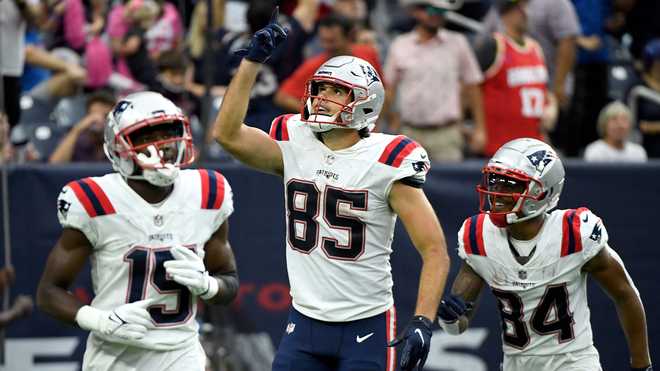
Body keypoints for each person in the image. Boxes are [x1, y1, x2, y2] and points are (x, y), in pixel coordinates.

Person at [214, 9, 449, 371]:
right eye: (320, 88)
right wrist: (251, 62)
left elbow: (434, 249)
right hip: (304, 321)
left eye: (337, 90)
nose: (323, 97)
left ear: (365, 102)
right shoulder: (296, 140)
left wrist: (422, 321)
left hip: (366, 324)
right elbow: (227, 135)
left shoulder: (387, 158)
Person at [37, 91, 239, 370]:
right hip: (115, 358)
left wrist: (208, 285)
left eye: (168, 132)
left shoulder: (207, 192)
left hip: (182, 355)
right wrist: (101, 321)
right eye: (146, 136)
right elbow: (48, 293)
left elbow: (228, 281)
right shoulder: (95, 199)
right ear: (118, 147)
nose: (163, 145)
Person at [436, 138, 653, 371]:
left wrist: (642, 365)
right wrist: (448, 318)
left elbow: (625, 294)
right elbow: (459, 324)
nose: (496, 193)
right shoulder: (479, 236)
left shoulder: (573, 233)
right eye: (495, 181)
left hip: (574, 363)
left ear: (541, 191)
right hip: (516, 365)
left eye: (509, 184)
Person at [382, 0, 486, 161]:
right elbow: (389, 89)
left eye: (441, 10)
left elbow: (473, 85)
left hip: (446, 133)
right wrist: (389, 120)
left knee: (450, 185)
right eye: (430, 9)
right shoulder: (400, 45)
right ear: (415, 11)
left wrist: (480, 129)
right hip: (410, 132)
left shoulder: (458, 43)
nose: (435, 14)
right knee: (408, 184)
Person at [477, 0, 555, 157]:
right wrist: (478, 129)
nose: (527, 14)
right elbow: (471, 88)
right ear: (507, 14)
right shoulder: (493, 45)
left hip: (534, 146)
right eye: (521, 9)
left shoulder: (536, 48)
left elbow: (544, 90)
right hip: (500, 146)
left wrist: (552, 106)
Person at [49, 90, 117, 163]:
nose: (99, 120)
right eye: (93, 115)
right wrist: (76, 130)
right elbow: (55, 164)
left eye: (105, 115)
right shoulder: (77, 138)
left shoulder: (119, 141)